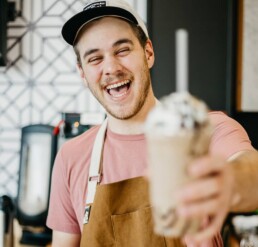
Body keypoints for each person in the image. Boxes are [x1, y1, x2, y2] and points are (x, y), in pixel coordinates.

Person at [46, 0, 258, 246]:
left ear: (148, 53)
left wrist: (224, 181)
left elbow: (251, 173)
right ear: (83, 73)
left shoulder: (205, 131)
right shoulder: (71, 157)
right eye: (94, 59)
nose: (111, 68)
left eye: (122, 50)